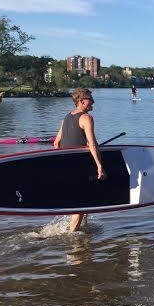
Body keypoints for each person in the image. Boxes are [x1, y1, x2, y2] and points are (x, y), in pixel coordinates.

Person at [54, 88, 105, 232]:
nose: (93, 102)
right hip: (80, 165)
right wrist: (99, 166)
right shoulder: (86, 118)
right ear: (82, 101)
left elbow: (56, 143)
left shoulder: (66, 117)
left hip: (66, 164)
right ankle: (73, 237)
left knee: (84, 199)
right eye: (90, 99)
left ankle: (82, 230)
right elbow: (93, 144)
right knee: (82, 202)